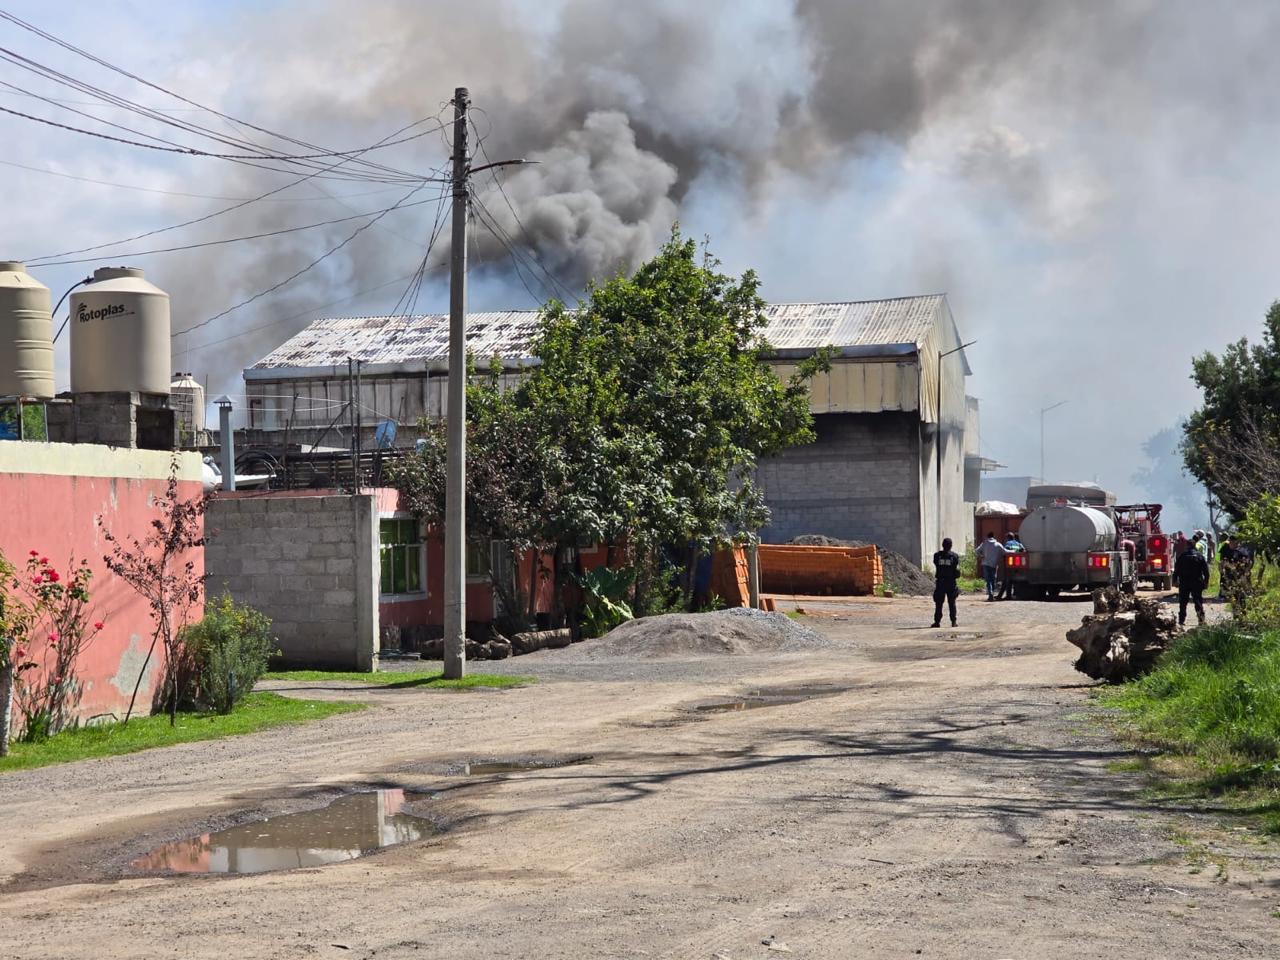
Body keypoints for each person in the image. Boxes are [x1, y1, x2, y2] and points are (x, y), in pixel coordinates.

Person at [1173, 537, 1210, 627]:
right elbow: (1206, 572)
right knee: (1198, 601)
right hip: (1197, 582)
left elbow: (1176, 570)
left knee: (1183, 602)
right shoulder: (1200, 556)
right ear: (1195, 546)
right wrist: (1206, 582)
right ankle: (1201, 620)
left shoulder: (1182, 556)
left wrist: (1174, 581)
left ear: (1187, 546)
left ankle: (1181, 621)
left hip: (1184, 582)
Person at [931, 537, 961, 628]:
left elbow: (936, 564)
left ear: (942, 545)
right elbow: (957, 569)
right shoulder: (954, 556)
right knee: (952, 603)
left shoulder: (937, 555)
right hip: (951, 582)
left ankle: (937, 622)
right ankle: (953, 621)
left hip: (941, 582)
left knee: (939, 603)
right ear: (951, 546)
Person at [1218, 536, 1251, 615]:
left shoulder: (1241, 551)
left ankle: (1243, 614)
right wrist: (1222, 572)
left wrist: (1245, 572)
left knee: (1241, 596)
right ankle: (1236, 615)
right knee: (1233, 597)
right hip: (1229, 578)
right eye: (1230, 542)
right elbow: (1222, 562)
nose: (1231, 544)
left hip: (1240, 577)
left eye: (1233, 542)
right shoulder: (1225, 550)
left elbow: (1248, 563)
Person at [975, 532, 1007, 601]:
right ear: (994, 537)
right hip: (994, 565)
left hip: (985, 564)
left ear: (987, 537)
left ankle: (990, 594)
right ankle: (992, 592)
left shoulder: (984, 544)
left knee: (988, 580)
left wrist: (981, 556)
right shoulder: (998, 544)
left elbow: (977, 551)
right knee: (993, 579)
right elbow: (1005, 552)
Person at [998, 532, 1024, 600]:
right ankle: (1015, 594)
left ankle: (1008, 595)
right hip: (1018, 565)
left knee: (1008, 580)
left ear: (1008, 538)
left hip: (1009, 564)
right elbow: (1023, 551)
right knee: (1016, 581)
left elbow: (1005, 551)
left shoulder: (1008, 543)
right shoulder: (1019, 544)